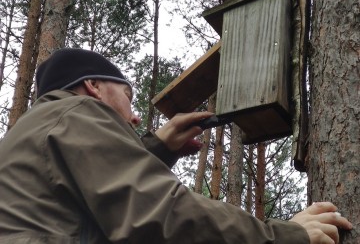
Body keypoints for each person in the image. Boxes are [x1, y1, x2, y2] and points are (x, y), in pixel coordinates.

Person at [0, 48, 352, 244]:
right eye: (127, 96)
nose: (136, 117)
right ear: (92, 86)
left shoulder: (38, 128)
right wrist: (283, 236)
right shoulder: (76, 112)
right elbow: (162, 215)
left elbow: (90, 199)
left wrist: (158, 149)